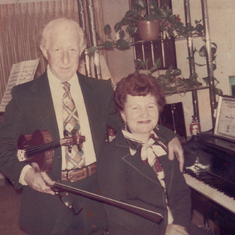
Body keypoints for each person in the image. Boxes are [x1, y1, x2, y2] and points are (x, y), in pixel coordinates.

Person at [0, 18, 184, 235]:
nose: (66, 58)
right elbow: (4, 148)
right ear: (44, 50)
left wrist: (168, 134)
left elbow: (129, 120)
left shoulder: (100, 90)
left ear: (82, 49)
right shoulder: (24, 95)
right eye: (58, 49)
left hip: (94, 193)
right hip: (46, 198)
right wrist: (27, 175)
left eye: (72, 49)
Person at [97, 73, 209, 235]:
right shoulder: (112, 155)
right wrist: (162, 229)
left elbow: (181, 193)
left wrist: (180, 225)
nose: (144, 114)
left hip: (175, 226)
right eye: (135, 108)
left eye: (150, 106)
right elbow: (117, 211)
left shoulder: (164, 145)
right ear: (122, 114)